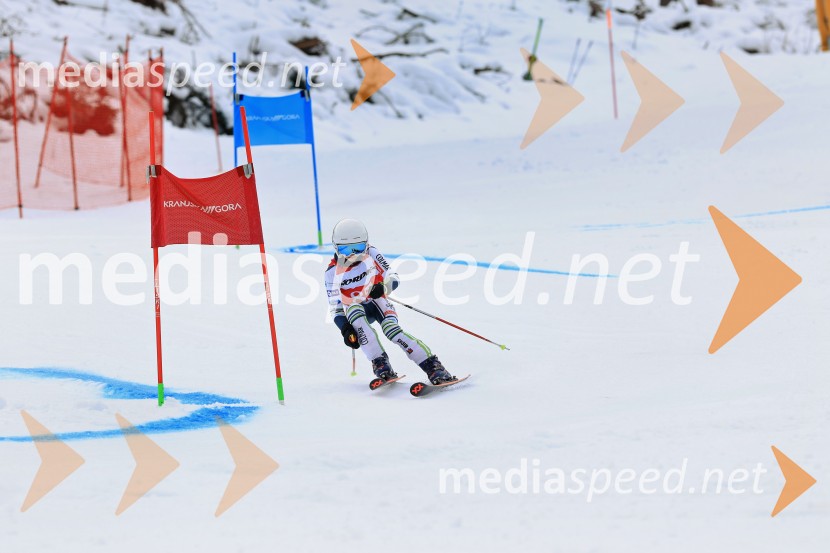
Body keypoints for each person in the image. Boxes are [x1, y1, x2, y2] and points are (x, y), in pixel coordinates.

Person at [324, 218, 456, 384]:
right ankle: (380, 363)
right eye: (345, 249)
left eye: (357, 248)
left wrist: (383, 288)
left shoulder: (371, 253)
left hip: (377, 302)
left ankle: (433, 366)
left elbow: (393, 277)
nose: (352, 254)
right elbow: (335, 309)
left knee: (391, 330)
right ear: (336, 248)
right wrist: (345, 329)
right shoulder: (331, 273)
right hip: (356, 308)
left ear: (366, 244)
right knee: (354, 314)